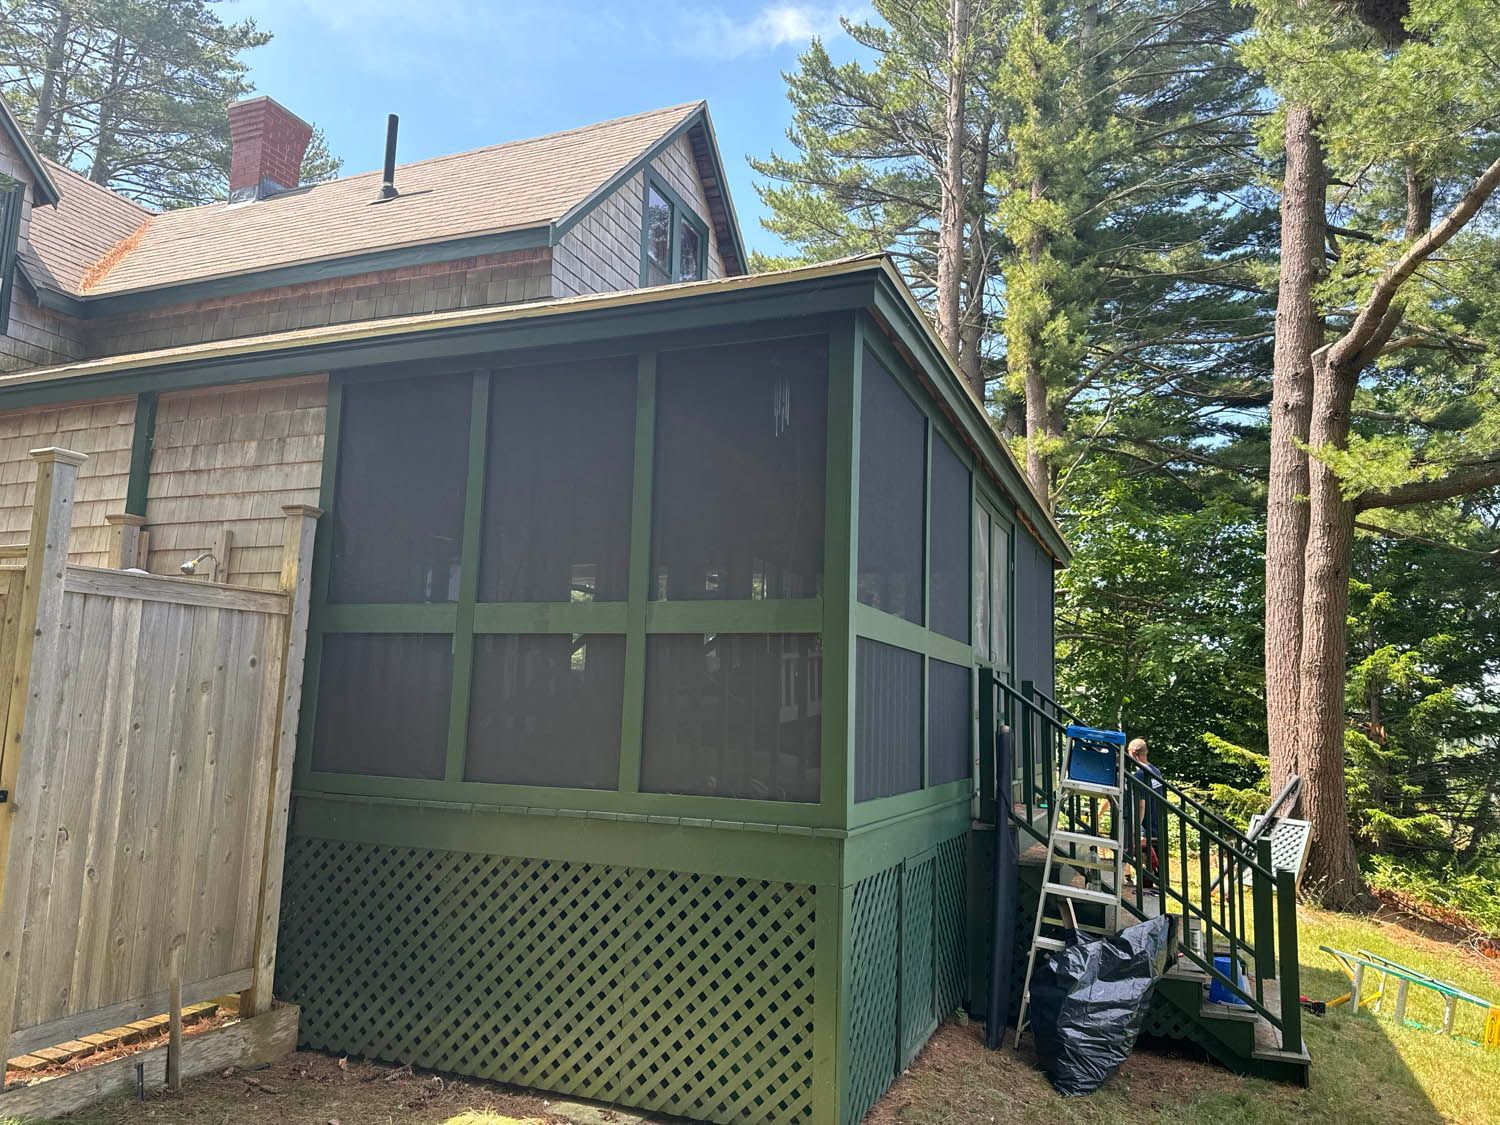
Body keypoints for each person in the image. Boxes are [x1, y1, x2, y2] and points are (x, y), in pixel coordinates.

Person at [1128, 738, 1166, 889]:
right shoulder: (1155, 771)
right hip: (1157, 822)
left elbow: (1141, 804)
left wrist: (1136, 828)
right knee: (1153, 860)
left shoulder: (1140, 775)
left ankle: (1146, 888)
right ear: (1146, 752)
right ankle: (1156, 886)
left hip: (1146, 826)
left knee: (1143, 858)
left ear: (1133, 753)